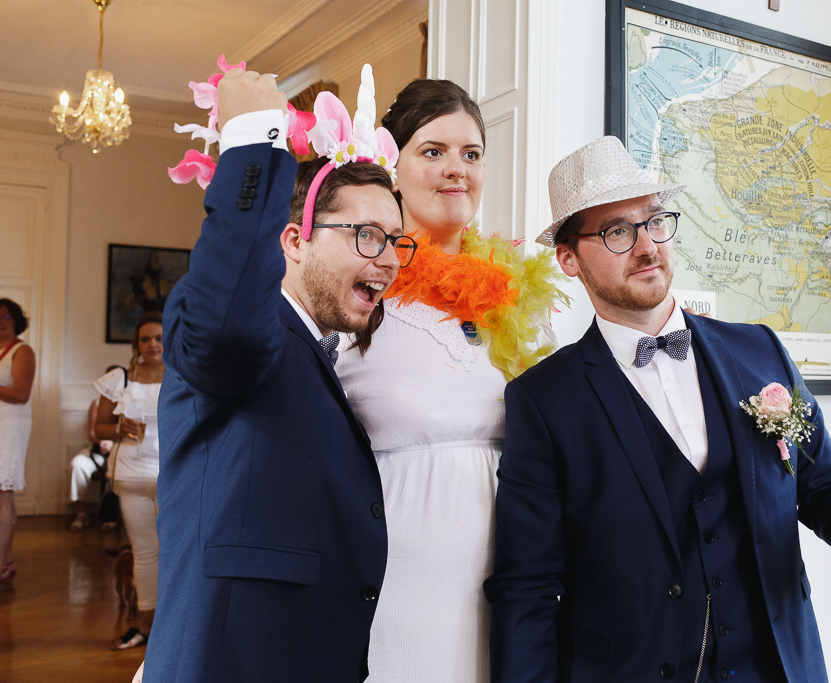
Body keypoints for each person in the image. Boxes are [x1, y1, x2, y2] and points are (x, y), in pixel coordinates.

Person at [484, 136, 831, 682]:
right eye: (618, 231)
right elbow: (528, 587)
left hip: (779, 667)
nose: (647, 247)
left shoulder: (759, 350)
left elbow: (823, 479)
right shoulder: (543, 400)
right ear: (568, 258)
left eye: (654, 221)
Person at [138, 66, 409, 682]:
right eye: (367, 236)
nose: (390, 261)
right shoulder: (246, 327)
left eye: (396, 241)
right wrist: (251, 140)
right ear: (293, 240)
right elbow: (224, 322)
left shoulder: (317, 352)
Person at [335, 78, 566, 682]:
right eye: (432, 151)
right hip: (391, 583)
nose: (455, 170)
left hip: (512, 580)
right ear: (394, 166)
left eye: (471, 154)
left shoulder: (519, 298)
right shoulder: (359, 288)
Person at [92, 313, 164, 649]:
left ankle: (172, 628)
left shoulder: (182, 375)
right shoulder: (119, 377)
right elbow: (99, 428)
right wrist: (120, 428)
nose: (153, 345)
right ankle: (145, 629)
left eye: (159, 338)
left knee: (173, 553)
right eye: (145, 339)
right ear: (136, 344)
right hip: (131, 477)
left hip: (172, 476)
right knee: (145, 553)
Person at [0, 298, 35, 588]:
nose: (0, 321)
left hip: (9, 427)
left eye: (5, 316)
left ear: (16, 320)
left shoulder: (23, 351)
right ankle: (7, 562)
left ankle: (0, 565)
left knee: (3, 493)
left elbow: (21, 394)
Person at [68, 364, 125, 533]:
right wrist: (101, 441)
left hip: (121, 449)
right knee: (77, 464)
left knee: (117, 469)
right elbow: (92, 433)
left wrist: (113, 443)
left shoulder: (130, 399)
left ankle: (111, 515)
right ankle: (81, 513)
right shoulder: (97, 402)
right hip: (97, 449)